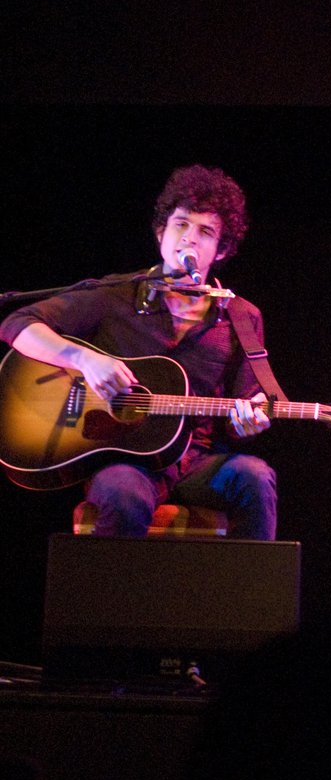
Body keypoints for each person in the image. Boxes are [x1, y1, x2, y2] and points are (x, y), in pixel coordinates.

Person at [0, 164, 278, 538]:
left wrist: (247, 422)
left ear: (222, 249)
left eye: (205, 231)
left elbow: (244, 407)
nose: (189, 239)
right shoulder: (115, 296)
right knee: (121, 491)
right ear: (162, 231)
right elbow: (17, 324)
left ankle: (250, 596)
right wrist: (84, 359)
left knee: (255, 477)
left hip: (201, 463)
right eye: (181, 224)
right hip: (127, 462)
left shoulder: (242, 317)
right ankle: (119, 597)